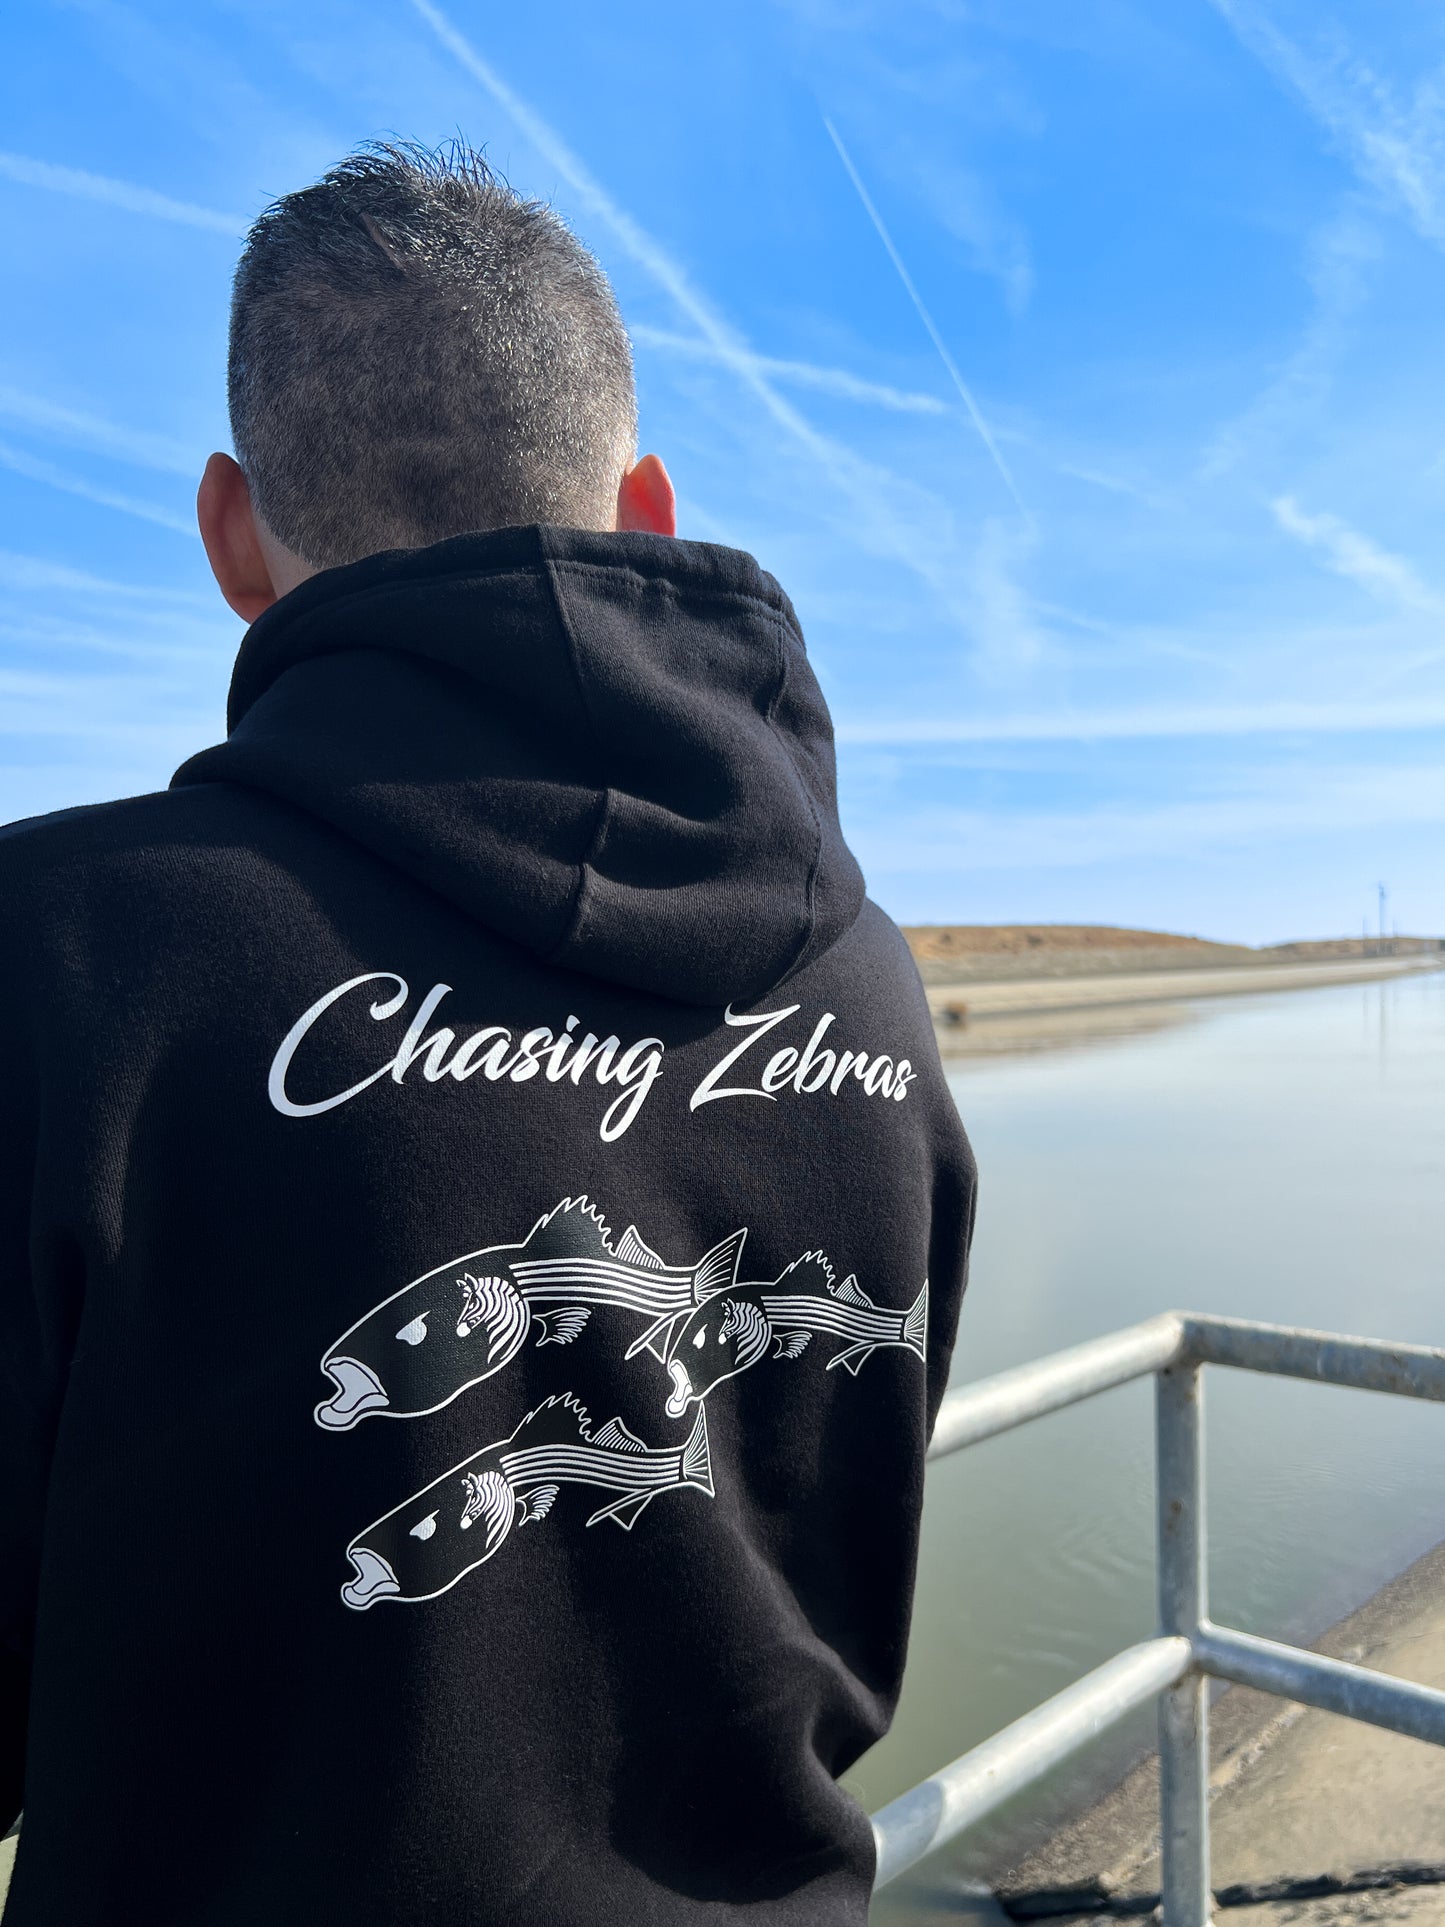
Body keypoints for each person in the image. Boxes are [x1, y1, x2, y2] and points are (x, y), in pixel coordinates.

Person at [0, 142, 976, 1925]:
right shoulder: (870, 985)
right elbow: (848, 1521)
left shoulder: (57, 956)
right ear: (647, 508)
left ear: (230, 534)